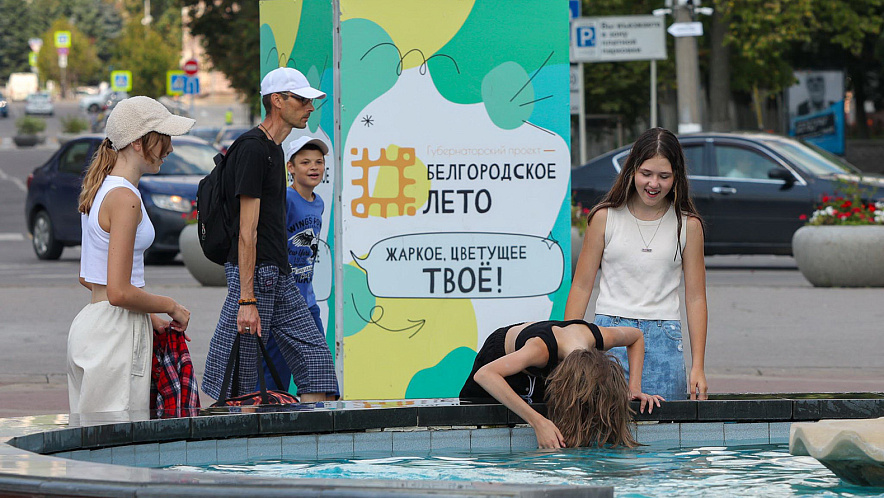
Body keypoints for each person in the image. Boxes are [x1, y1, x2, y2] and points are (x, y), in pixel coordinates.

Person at [202, 67, 338, 403]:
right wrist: (246, 299)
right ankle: (236, 432)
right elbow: (246, 231)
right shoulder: (252, 149)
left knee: (317, 363)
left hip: (277, 272)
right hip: (256, 273)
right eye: (302, 100)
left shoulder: (273, 149)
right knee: (244, 375)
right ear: (277, 100)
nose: (310, 107)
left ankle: (311, 435)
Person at [68, 96, 193, 415]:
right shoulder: (126, 198)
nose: (170, 148)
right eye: (164, 137)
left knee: (92, 437)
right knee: (118, 438)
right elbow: (119, 291)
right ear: (139, 142)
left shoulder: (99, 188)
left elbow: (88, 277)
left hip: (92, 325)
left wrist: (148, 316)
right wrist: (170, 306)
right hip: (116, 334)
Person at [565, 127, 708, 401]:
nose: (653, 184)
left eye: (664, 176)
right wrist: (567, 349)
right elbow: (582, 286)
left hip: (665, 340)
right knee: (604, 423)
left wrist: (698, 366)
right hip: (609, 336)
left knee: (668, 427)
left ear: (677, 177)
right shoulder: (604, 217)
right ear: (632, 170)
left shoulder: (689, 225)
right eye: (646, 173)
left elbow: (696, 298)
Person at [460, 320, 663, 449]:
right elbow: (485, 375)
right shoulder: (540, 350)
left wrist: (634, 389)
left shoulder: (598, 336)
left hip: (546, 361)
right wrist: (537, 422)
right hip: (500, 358)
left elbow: (636, 336)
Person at [256, 136, 330, 391]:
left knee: (320, 371)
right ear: (290, 167)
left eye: (319, 162)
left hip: (307, 301)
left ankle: (314, 414)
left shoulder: (318, 203)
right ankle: (271, 414)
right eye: (305, 162)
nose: (314, 167)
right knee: (276, 376)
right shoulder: (284, 199)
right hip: (282, 304)